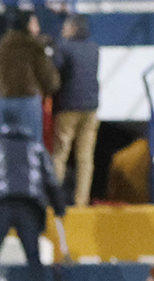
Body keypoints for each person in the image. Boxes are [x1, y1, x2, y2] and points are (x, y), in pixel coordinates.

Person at [0, 102, 66, 281]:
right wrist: (59, 206)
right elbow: (50, 179)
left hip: (1, 204)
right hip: (29, 205)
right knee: (33, 257)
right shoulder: (35, 146)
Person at [50, 15, 99, 208]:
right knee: (85, 157)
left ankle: (55, 199)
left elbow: (56, 69)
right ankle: (82, 200)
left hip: (69, 107)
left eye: (65, 26)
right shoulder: (94, 48)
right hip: (91, 107)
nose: (62, 30)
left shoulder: (65, 47)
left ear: (72, 28)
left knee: (60, 154)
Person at [0, 10, 58, 143]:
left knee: (7, 144)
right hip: (27, 101)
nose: (38, 26)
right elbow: (47, 77)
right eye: (34, 23)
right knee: (31, 145)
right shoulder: (33, 46)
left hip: (4, 101)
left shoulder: (1, 46)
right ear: (26, 25)